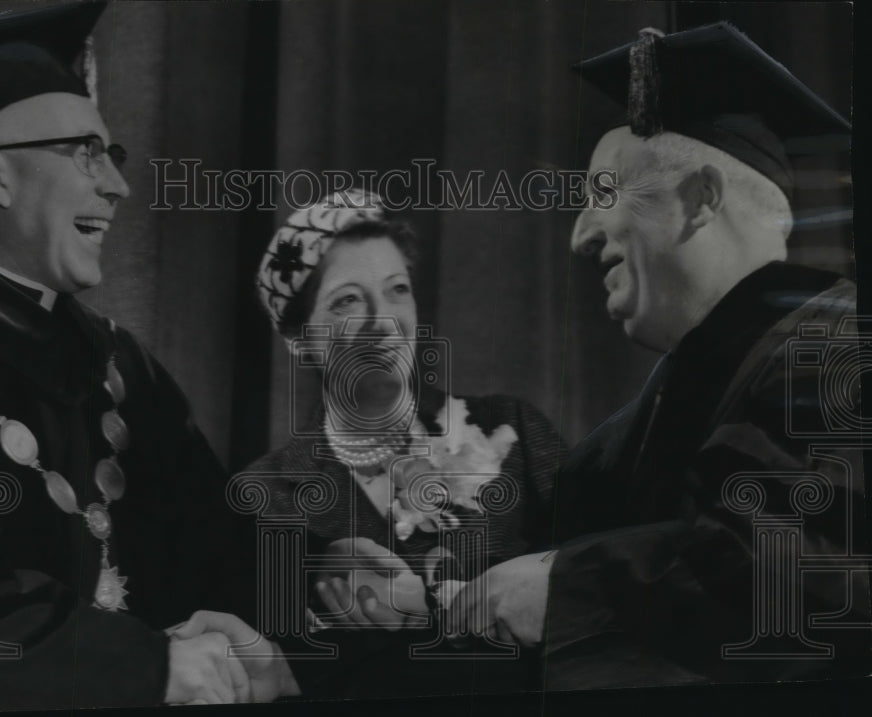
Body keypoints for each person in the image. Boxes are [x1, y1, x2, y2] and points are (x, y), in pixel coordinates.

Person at [0, 3, 297, 711]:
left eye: (114, 154)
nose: (118, 185)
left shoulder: (112, 357)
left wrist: (318, 577)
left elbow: (208, 537)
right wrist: (150, 666)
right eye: (85, 153)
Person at [447, 22, 870, 688]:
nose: (580, 236)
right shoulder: (622, 440)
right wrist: (435, 590)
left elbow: (818, 568)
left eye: (605, 195)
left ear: (701, 198)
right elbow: (531, 571)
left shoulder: (842, 350)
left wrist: (574, 584)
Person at [247, 190, 567, 697]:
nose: (384, 320)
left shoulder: (514, 430)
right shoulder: (266, 495)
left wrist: (441, 602)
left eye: (397, 289)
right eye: (348, 299)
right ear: (300, 338)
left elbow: (597, 587)